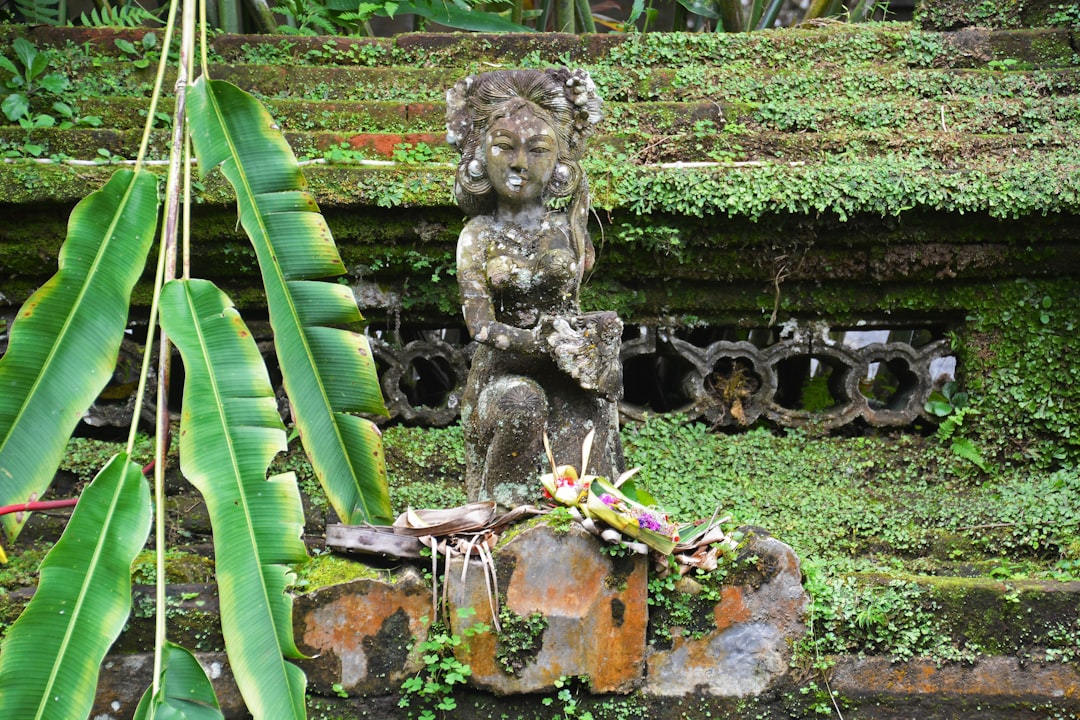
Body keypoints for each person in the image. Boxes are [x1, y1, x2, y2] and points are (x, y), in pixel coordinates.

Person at [447, 68, 625, 508]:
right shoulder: (478, 235)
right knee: (522, 403)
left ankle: (592, 530)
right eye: (504, 147)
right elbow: (480, 326)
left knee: (596, 406)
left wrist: (597, 347)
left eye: (537, 149)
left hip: (567, 371)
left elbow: (577, 310)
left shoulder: (569, 229)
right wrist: (539, 342)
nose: (519, 163)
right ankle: (507, 523)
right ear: (479, 156)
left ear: (561, 163)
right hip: (504, 377)